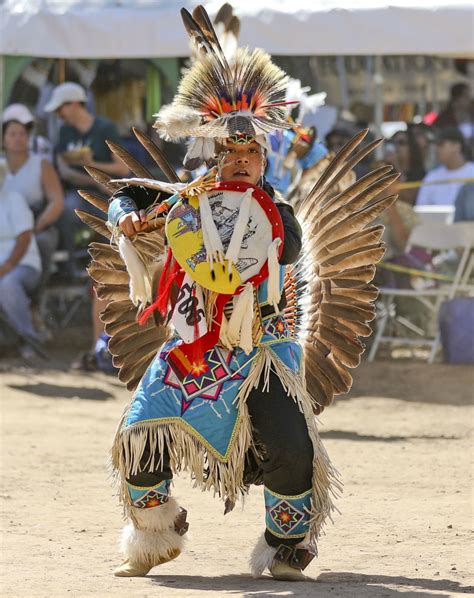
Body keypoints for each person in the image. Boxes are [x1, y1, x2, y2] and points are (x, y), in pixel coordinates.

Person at [81, 6, 395, 582]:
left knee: (292, 448)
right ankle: (154, 536)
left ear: (263, 158)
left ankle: (285, 547)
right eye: (232, 154)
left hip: (262, 353)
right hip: (194, 350)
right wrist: (128, 219)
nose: (243, 162)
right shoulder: (188, 199)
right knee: (138, 438)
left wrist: (259, 215)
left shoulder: (276, 212)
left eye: (252, 154)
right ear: (217, 156)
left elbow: (294, 247)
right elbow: (127, 196)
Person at [44, 82, 129, 277]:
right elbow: (63, 168)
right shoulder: (65, 132)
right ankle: (72, 265)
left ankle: (107, 268)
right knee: (65, 211)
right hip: (80, 192)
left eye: (60, 109)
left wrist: (92, 164)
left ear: (74, 104)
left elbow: (123, 168)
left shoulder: (105, 128)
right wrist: (88, 176)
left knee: (110, 219)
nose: (59, 115)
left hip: (107, 194)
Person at [1, 105, 64, 331]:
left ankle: (34, 302)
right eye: (12, 134)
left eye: (22, 134)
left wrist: (36, 226)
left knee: (40, 244)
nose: (18, 139)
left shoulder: (41, 164)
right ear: (4, 139)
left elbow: (56, 201)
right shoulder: (1, 167)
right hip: (5, 226)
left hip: (38, 225)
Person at [0, 189, 43, 356]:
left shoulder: (13, 198)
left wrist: (7, 266)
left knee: (8, 284)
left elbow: (24, 237)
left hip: (23, 264)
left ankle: (29, 339)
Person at [416, 127, 474, 207]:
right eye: (436, 145)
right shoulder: (431, 178)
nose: (436, 149)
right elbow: (421, 210)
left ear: (456, 146)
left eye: (441, 144)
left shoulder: (472, 172)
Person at [389, 127, 426, 206]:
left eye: (401, 143)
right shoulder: (388, 170)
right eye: (393, 142)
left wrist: (397, 167)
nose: (396, 147)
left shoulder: (418, 172)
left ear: (411, 147)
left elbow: (411, 200)